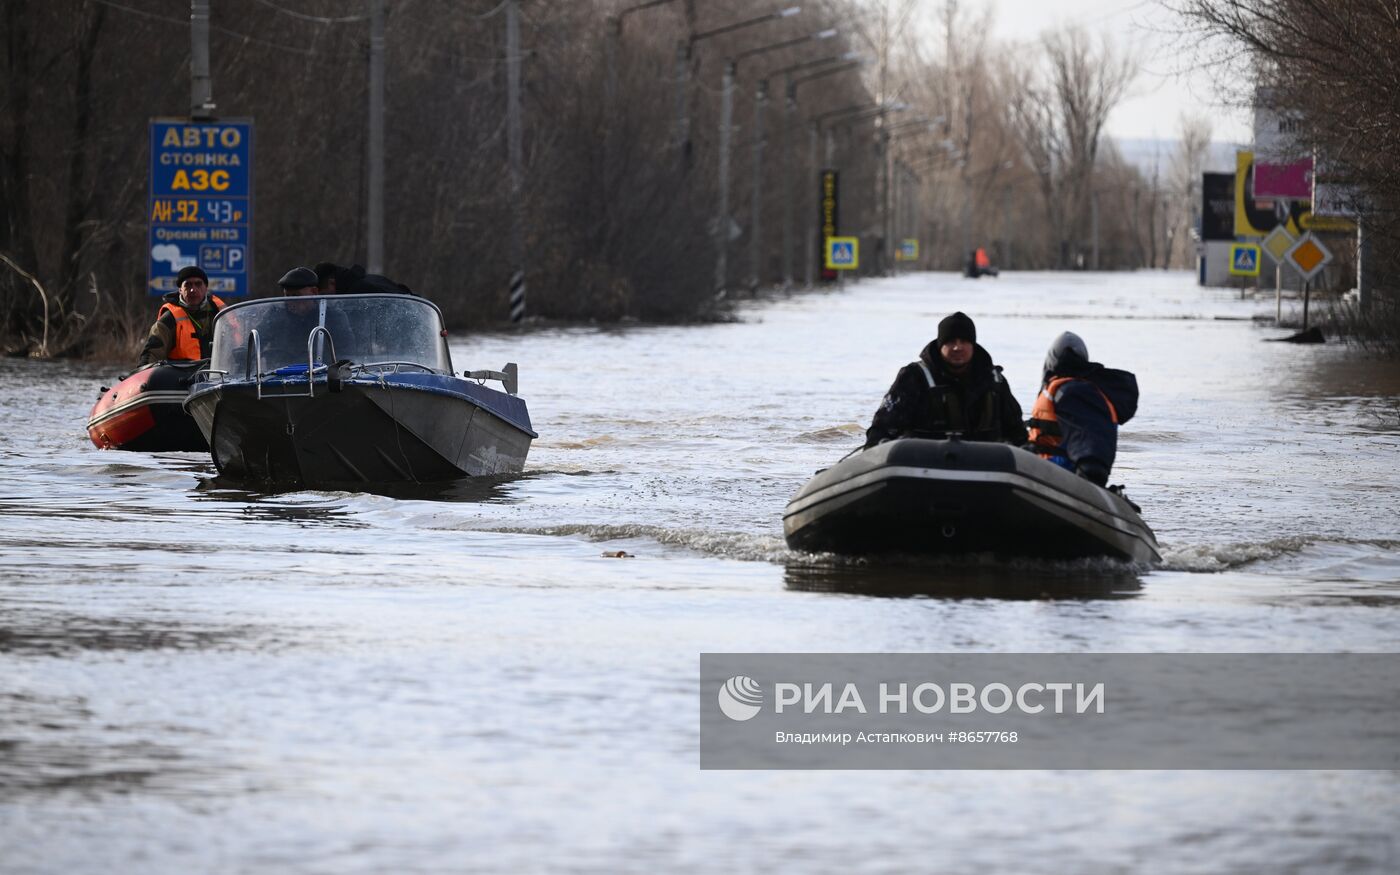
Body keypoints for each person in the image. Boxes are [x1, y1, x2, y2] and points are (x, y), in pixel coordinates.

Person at [863, 311, 1028, 449]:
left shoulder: (994, 381)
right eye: (951, 342)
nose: (958, 347)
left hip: (986, 465)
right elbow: (883, 426)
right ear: (940, 345)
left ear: (973, 345)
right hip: (922, 464)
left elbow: (1017, 432)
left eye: (964, 341)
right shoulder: (914, 377)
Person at [1026, 331, 1139, 486]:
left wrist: (1089, 471)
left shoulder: (1073, 392)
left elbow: (1091, 439)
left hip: (1059, 475)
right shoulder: (1078, 389)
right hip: (1045, 468)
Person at [138, 266, 226, 364]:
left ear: (206, 288)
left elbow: (238, 342)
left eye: (198, 284)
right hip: (183, 376)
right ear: (180, 289)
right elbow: (151, 354)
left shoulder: (220, 311)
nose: (193, 289)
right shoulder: (169, 318)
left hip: (220, 375)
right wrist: (140, 375)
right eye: (188, 285)